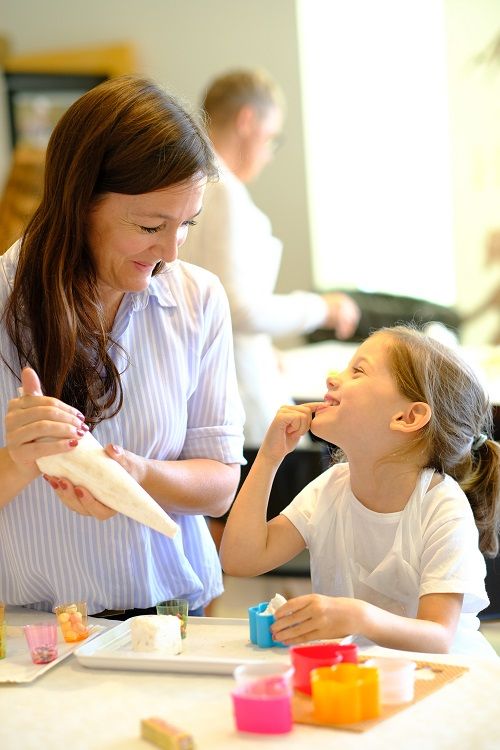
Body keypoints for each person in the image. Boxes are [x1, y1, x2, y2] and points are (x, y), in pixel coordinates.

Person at [0, 75, 245, 619]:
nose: (170, 252)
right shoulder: (5, 302)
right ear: (79, 201)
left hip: (176, 618)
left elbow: (220, 486)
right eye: (151, 226)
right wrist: (21, 459)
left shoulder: (197, 298)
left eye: (186, 224)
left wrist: (137, 476)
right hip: (39, 631)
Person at [220, 324, 500, 655]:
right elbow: (240, 559)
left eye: (358, 371)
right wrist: (269, 457)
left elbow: (438, 636)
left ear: (407, 417)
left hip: (447, 675)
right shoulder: (331, 488)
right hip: (363, 673)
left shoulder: (441, 507)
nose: (332, 378)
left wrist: (358, 617)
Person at [181, 68, 360, 537]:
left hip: (217, 372)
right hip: (233, 392)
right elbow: (239, 306)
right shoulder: (222, 190)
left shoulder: (194, 181)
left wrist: (265, 350)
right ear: (248, 121)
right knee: (242, 538)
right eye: (272, 138)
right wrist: (322, 308)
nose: (268, 152)